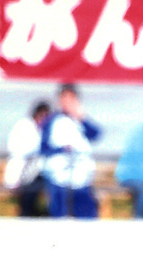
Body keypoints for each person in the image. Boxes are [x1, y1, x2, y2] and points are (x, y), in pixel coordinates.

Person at [41, 83, 102, 218]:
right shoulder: (51, 121)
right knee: (60, 213)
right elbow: (43, 148)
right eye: (64, 98)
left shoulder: (81, 120)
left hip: (81, 175)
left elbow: (96, 134)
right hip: (58, 175)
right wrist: (61, 149)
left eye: (71, 99)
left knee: (86, 214)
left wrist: (81, 118)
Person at [4, 99, 51, 217]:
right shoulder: (23, 126)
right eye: (43, 115)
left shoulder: (43, 130)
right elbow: (16, 148)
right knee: (27, 202)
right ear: (37, 114)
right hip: (23, 172)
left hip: (37, 172)